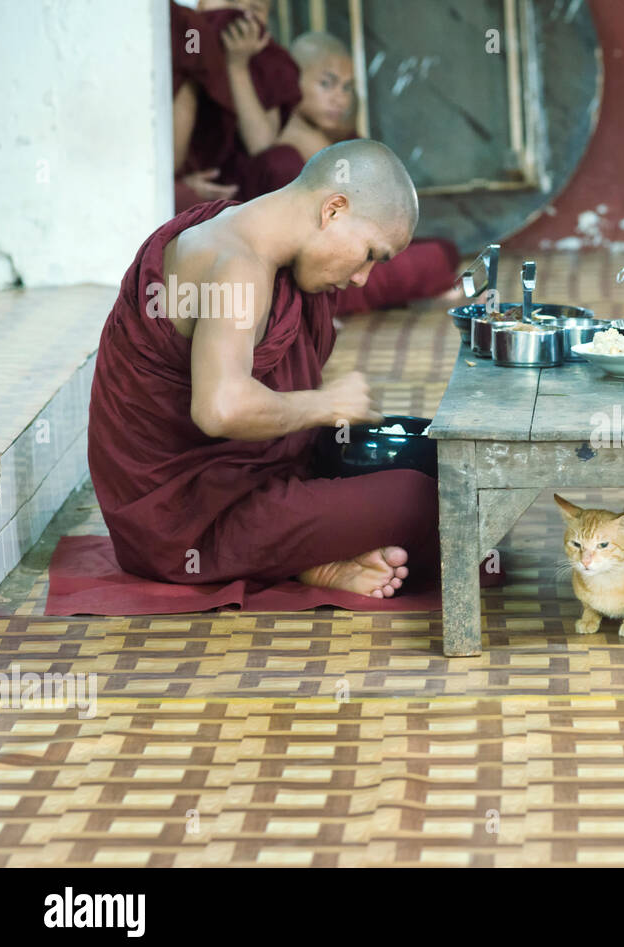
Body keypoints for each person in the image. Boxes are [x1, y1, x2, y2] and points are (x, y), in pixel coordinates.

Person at [89, 140, 437, 597]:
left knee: (431, 469)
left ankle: (309, 557)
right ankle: (302, 558)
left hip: (252, 480)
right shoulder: (236, 263)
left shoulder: (263, 246)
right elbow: (220, 410)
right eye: (371, 253)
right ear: (333, 209)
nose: (362, 278)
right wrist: (323, 405)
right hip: (188, 523)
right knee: (428, 500)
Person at [237, 31, 461, 310]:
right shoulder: (280, 151)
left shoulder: (334, 134)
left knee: (443, 249)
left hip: (348, 255)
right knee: (436, 257)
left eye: (346, 87)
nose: (339, 98)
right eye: (326, 84)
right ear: (292, 82)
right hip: (317, 268)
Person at [171, 0, 300, 211]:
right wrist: (178, 183)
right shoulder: (187, 34)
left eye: (255, 9)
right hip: (180, 176)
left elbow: (261, 143)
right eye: (230, 1)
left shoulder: (269, 62)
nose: (238, 14)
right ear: (201, 5)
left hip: (235, 183)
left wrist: (237, 66)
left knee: (283, 160)